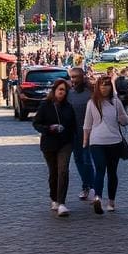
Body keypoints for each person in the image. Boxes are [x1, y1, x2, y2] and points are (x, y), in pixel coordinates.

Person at [83, 75, 128, 214]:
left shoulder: (116, 102)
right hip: (97, 141)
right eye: (102, 85)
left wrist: (121, 117)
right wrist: (85, 141)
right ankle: (98, 197)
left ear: (111, 87)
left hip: (114, 141)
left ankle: (111, 201)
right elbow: (87, 124)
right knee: (100, 169)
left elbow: (125, 120)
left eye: (107, 85)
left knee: (112, 172)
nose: (104, 88)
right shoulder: (92, 103)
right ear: (98, 87)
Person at [33, 79, 77, 217]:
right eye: (60, 90)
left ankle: (62, 202)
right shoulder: (45, 105)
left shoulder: (69, 107)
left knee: (63, 170)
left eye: (64, 90)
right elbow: (36, 123)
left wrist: (73, 137)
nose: (62, 92)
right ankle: (54, 198)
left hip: (65, 143)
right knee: (54, 172)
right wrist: (49, 128)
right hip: (49, 144)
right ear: (54, 90)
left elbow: (73, 126)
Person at [67, 66, 95, 202]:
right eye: (71, 77)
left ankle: (93, 187)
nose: (73, 80)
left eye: (75, 77)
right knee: (78, 160)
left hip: (88, 132)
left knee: (87, 159)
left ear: (82, 77)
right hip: (73, 133)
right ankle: (86, 186)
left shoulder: (90, 93)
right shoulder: (69, 93)